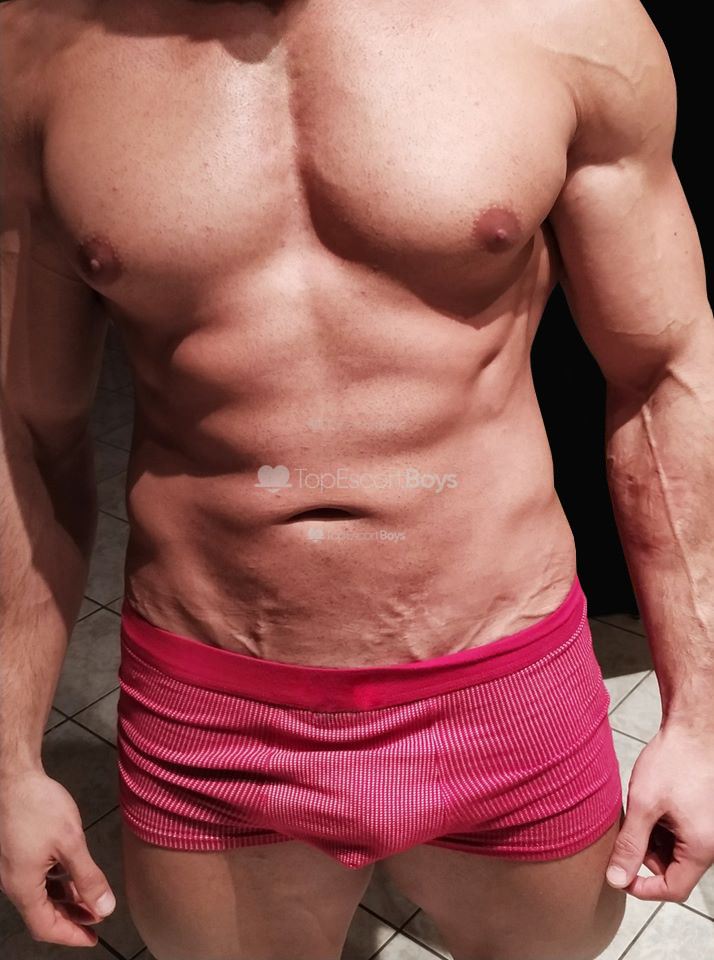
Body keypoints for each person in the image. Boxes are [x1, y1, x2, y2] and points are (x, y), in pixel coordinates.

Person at [1, 1, 713, 958]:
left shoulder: (562, 19)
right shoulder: (36, 50)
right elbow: (23, 431)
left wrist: (700, 718)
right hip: (211, 705)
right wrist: (7, 758)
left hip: (502, 680)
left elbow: (664, 369)